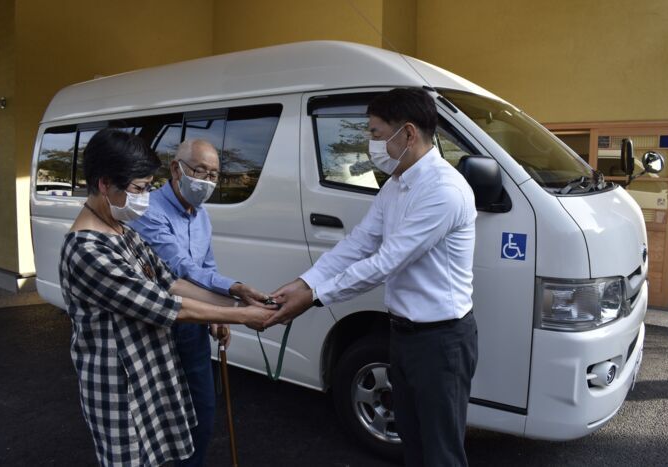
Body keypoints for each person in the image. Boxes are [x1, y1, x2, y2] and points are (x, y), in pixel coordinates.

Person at [265, 88, 479, 466]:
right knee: (411, 441)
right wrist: (305, 282)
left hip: (440, 341)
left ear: (408, 133)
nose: (370, 145)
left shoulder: (444, 191)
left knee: (441, 451)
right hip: (403, 334)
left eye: (377, 134)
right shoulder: (397, 184)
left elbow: (386, 262)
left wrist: (314, 298)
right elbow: (360, 243)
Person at [59, 128, 274, 467]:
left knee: (171, 445)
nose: (145, 197)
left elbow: (170, 282)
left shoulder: (123, 232)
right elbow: (164, 305)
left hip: (151, 369)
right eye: (139, 189)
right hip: (119, 386)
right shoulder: (86, 249)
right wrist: (246, 316)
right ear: (104, 184)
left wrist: (237, 302)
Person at [130, 138, 272, 467]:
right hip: (160, 328)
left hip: (193, 330)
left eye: (214, 175)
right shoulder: (150, 210)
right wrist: (233, 296)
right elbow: (179, 269)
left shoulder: (202, 215)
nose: (207, 181)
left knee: (202, 413)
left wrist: (217, 316)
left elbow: (207, 266)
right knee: (164, 421)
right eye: (201, 171)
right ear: (176, 169)